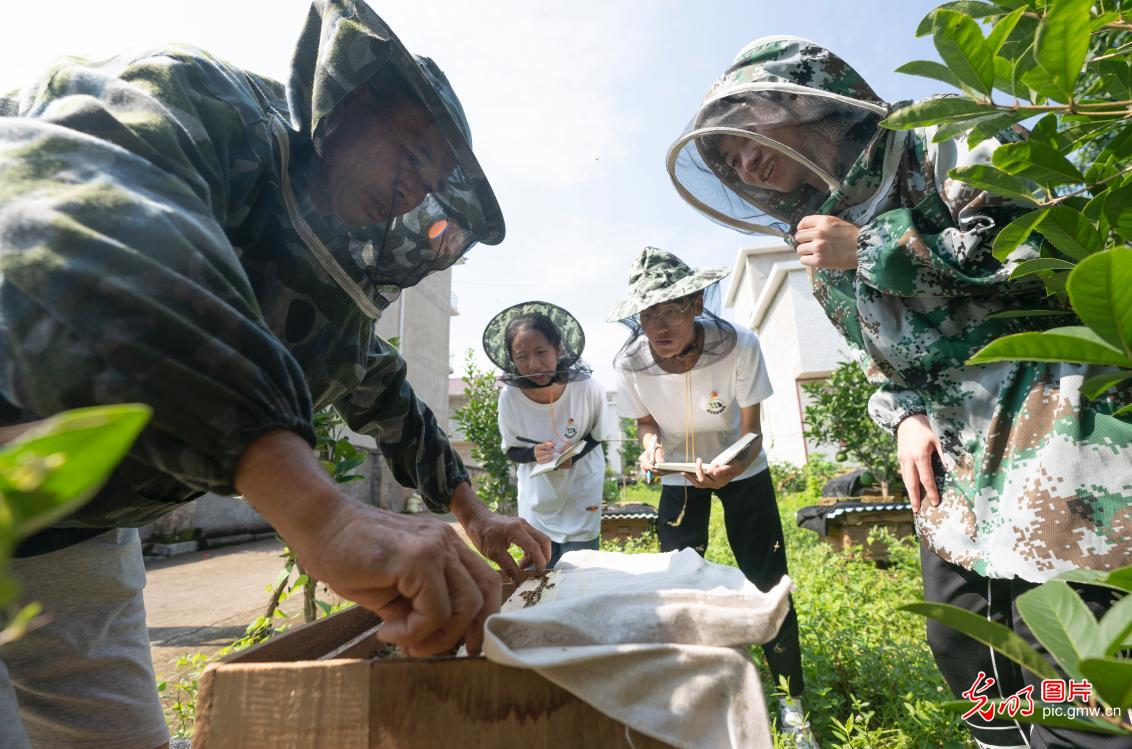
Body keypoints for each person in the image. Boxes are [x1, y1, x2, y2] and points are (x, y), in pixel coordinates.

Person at [0, 2, 551, 747]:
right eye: (412, 150)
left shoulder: (327, 274)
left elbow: (383, 390)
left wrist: (472, 510)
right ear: (350, 100)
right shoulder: (192, 100)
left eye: (433, 179)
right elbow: (79, 213)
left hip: (76, 530)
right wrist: (322, 514)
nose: (414, 190)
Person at [669, 36, 1132, 749]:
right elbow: (876, 356)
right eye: (727, 161)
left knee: (1069, 651)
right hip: (950, 451)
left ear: (800, 100)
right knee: (961, 642)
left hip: (1051, 414)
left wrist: (876, 246)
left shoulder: (945, 135)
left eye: (744, 135)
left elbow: (1046, 254)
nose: (743, 162)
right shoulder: (816, 238)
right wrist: (904, 416)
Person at [607, 247, 816, 748]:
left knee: (767, 577)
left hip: (741, 467)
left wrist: (731, 468)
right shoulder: (630, 364)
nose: (659, 326)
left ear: (697, 303)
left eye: (671, 310)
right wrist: (651, 448)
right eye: (648, 313)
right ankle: (688, 697)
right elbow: (645, 423)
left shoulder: (740, 345)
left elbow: (752, 431)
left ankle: (792, 703)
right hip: (679, 474)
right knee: (675, 581)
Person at [484, 302, 606, 568]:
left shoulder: (588, 388)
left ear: (558, 349)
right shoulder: (510, 397)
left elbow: (597, 435)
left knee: (583, 574)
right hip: (537, 499)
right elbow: (510, 448)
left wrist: (574, 455)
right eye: (522, 357)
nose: (533, 364)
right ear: (511, 359)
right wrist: (532, 454)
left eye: (541, 352)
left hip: (581, 492)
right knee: (538, 573)